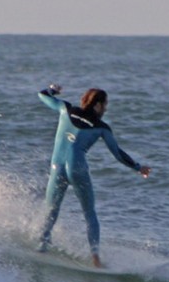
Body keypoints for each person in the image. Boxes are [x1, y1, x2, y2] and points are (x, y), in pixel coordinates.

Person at [36, 83, 150, 267]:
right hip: (77, 168)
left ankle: (41, 247)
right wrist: (138, 167)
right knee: (89, 213)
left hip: (57, 167)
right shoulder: (101, 127)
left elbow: (43, 95)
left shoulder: (66, 109)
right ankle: (95, 259)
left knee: (52, 209)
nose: (105, 109)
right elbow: (117, 153)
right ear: (97, 104)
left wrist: (53, 90)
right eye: (105, 105)